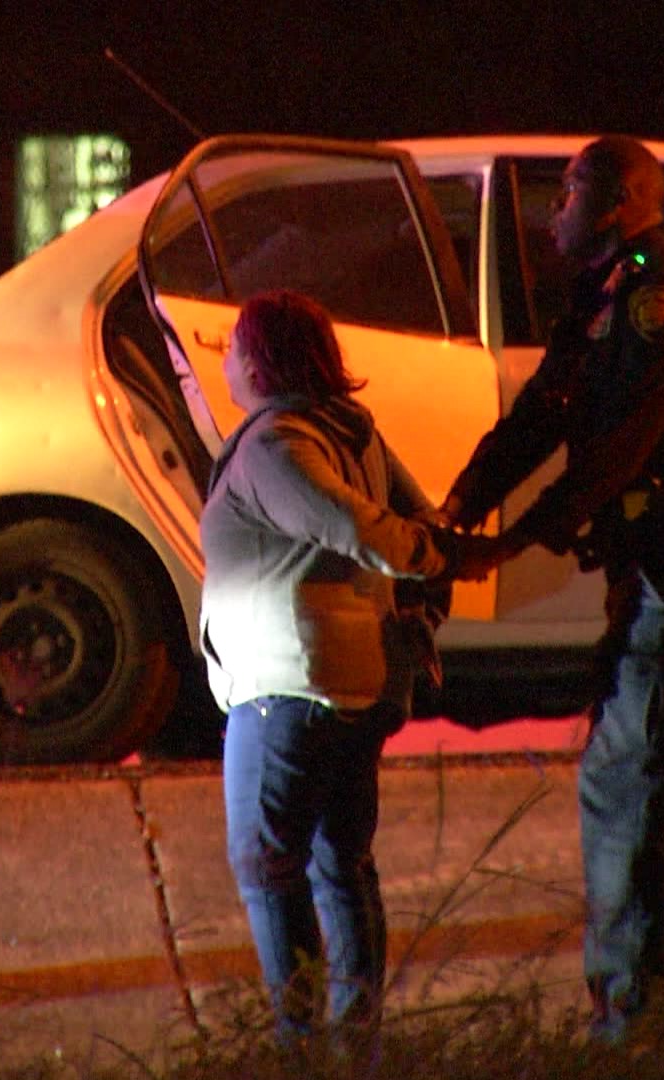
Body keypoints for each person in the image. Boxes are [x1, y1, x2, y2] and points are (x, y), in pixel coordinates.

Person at [436, 136, 664, 1047]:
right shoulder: (608, 295)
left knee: (621, 786)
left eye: (569, 192)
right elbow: (544, 409)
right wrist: (464, 501)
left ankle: (628, 1022)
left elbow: (616, 448)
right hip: (659, 572)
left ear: (620, 199)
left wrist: (507, 546)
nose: (555, 211)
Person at [199, 289, 465, 1051]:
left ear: (255, 359)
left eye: (228, 349)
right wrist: (433, 574)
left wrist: (428, 558)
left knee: (268, 866)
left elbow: (358, 526)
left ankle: (301, 1044)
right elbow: (420, 517)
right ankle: (359, 1041)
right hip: (357, 681)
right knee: (340, 863)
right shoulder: (353, 433)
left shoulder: (274, 444)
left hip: (288, 686)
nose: (222, 363)